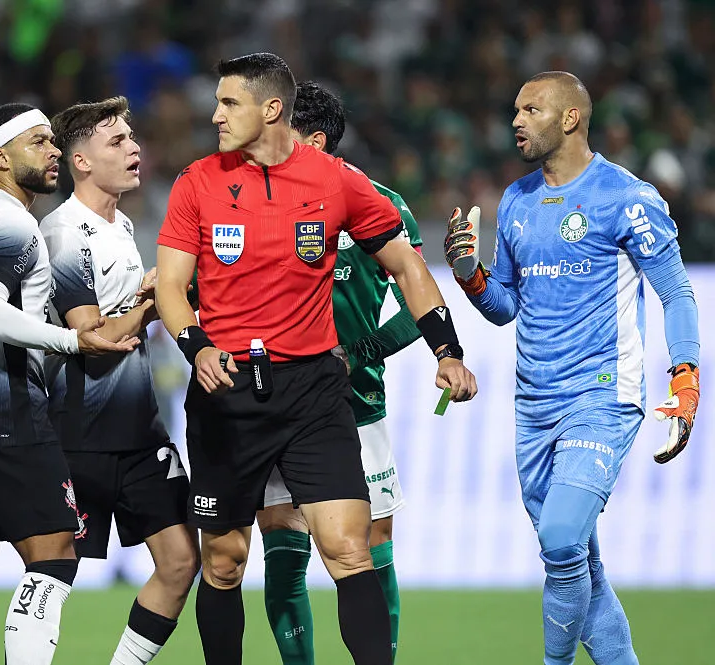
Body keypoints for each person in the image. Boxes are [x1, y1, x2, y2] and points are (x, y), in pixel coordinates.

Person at [155, 52, 477, 665]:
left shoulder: (336, 181)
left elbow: (407, 265)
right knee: (224, 563)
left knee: (350, 550)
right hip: (227, 394)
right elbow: (171, 285)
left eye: (229, 103)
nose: (215, 114)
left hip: (313, 393)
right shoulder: (196, 182)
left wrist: (448, 350)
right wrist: (197, 346)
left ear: (271, 109)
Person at [444, 71, 700, 665]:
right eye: (515, 110)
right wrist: (469, 276)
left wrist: (685, 377)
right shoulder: (516, 200)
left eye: (530, 110)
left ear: (570, 119)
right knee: (580, 562)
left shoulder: (627, 197)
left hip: (603, 394)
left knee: (560, 540)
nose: (515, 121)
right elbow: (506, 307)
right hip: (534, 404)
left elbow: (677, 292)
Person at [0, 103, 138, 664]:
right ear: (0, 156)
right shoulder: (13, 223)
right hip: (7, 412)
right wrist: (69, 341)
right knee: (56, 554)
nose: (54, 150)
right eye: (38, 142)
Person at [257, 81, 422, 665]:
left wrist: (361, 351)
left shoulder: (381, 204)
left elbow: (421, 303)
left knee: (372, 544)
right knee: (283, 541)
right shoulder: (254, 200)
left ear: (315, 141)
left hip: (357, 405)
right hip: (275, 402)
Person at [44, 96, 200, 665]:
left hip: (139, 433)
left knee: (181, 561)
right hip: (78, 434)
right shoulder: (64, 232)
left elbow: (125, 322)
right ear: (81, 161)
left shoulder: (123, 225)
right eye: (118, 142)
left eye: (132, 137)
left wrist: (149, 301)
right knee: (51, 571)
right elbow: (93, 336)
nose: (135, 148)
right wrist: (156, 302)